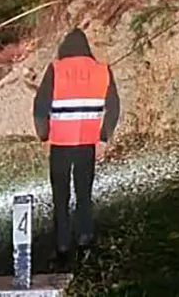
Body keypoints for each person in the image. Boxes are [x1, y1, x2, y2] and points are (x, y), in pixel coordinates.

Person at [32, 27, 120, 261]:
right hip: (87, 144)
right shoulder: (103, 71)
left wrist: (43, 135)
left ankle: (62, 244)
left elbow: (40, 106)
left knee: (60, 196)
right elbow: (114, 107)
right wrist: (103, 137)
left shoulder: (55, 70)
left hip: (60, 144)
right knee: (84, 193)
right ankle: (85, 238)